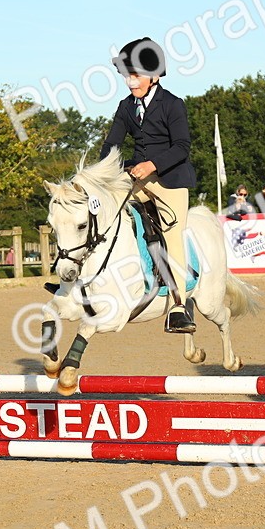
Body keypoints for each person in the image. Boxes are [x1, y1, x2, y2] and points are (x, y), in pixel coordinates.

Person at [100, 37, 197, 334]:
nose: (130, 82)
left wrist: (152, 165)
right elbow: (111, 145)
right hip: (137, 179)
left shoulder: (172, 105)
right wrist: (104, 173)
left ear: (154, 76)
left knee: (172, 231)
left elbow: (182, 146)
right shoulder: (125, 107)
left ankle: (179, 305)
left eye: (136, 75)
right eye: (127, 75)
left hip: (170, 180)